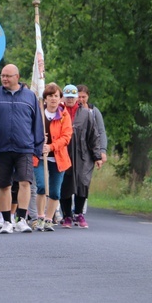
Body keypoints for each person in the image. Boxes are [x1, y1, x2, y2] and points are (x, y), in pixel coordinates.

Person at [0, 64, 44, 234]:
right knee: (4, 185)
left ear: (17, 77)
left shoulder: (30, 97)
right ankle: (7, 220)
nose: (5, 79)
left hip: (25, 147)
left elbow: (37, 122)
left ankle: (22, 219)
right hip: (1, 147)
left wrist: (38, 146)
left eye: (8, 76)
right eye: (2, 76)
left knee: (25, 182)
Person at [32, 83, 73, 232]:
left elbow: (66, 137)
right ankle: (40, 216)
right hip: (39, 157)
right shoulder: (39, 114)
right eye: (50, 96)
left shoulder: (64, 115)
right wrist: (39, 139)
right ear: (45, 99)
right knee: (42, 186)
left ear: (60, 98)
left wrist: (51, 146)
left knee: (55, 191)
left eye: (56, 96)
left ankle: (49, 219)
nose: (53, 99)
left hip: (58, 157)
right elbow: (29, 132)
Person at [60, 84, 102, 228]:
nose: (70, 100)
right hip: (64, 154)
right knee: (65, 184)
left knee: (82, 183)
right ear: (63, 98)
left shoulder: (86, 114)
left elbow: (94, 136)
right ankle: (66, 216)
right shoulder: (59, 112)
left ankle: (79, 213)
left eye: (73, 97)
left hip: (83, 155)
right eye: (68, 97)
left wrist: (97, 156)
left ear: (77, 98)